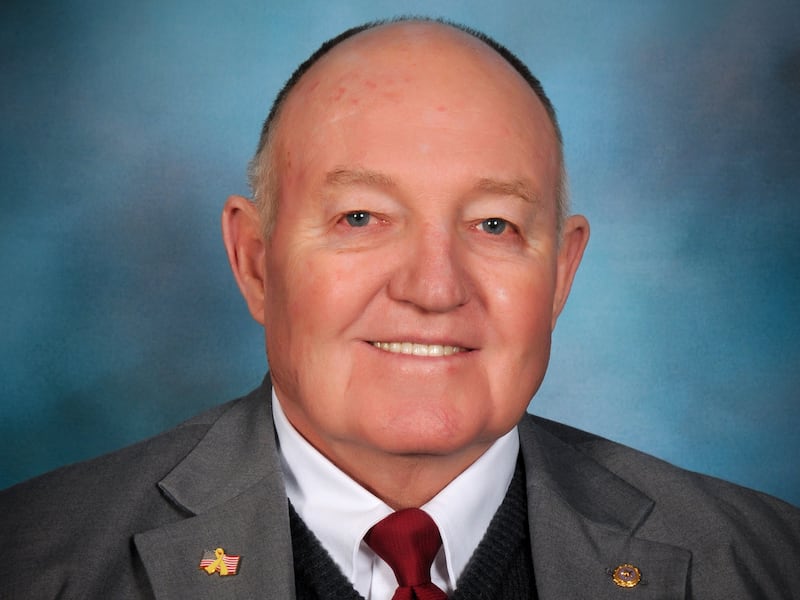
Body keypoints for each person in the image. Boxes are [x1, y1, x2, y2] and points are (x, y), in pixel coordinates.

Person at [1, 17, 798, 600]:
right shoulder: (35, 564)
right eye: (361, 218)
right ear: (255, 262)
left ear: (561, 273)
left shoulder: (765, 565)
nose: (433, 288)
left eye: (494, 225)